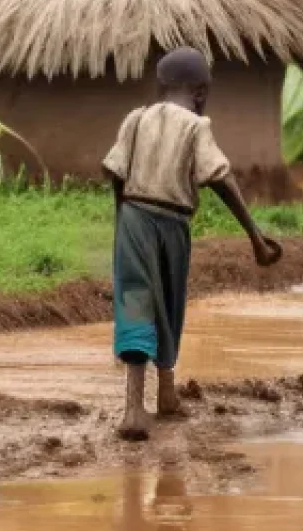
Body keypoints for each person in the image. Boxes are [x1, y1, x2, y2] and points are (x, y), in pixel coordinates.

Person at [102, 47, 282, 440]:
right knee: (169, 302)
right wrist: (255, 236)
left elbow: (116, 172)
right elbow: (220, 177)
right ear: (201, 93)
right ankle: (165, 390)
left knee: (135, 300)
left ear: (161, 85)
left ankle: (136, 406)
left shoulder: (135, 119)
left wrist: (122, 221)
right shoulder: (196, 126)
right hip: (173, 223)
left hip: (133, 215)